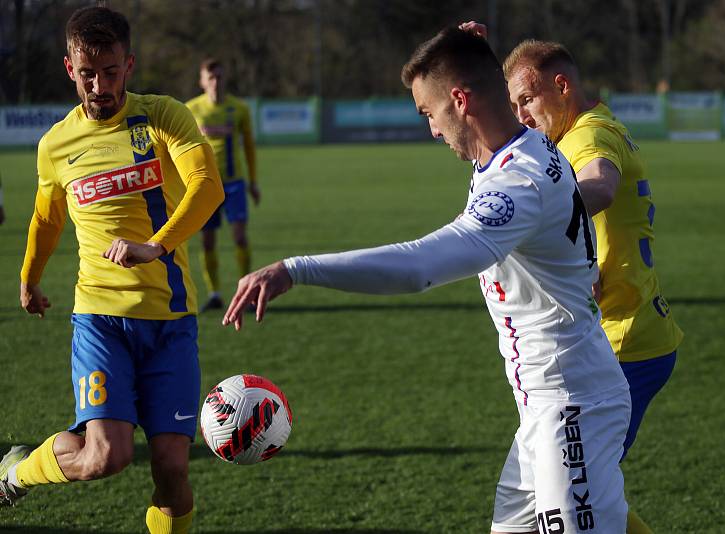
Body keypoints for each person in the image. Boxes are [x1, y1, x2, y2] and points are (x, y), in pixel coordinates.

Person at [223, 27, 631, 534]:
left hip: (572, 406)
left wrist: (297, 268)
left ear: (460, 101)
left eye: (429, 113)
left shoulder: (517, 183)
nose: (432, 129)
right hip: (543, 411)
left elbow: (418, 267)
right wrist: (458, 44)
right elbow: (473, 83)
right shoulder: (509, 151)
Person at [0, 7, 223, 534]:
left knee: (172, 471)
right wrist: (28, 280)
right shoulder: (56, 143)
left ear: (130, 64)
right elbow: (46, 217)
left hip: (171, 320)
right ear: (69, 67)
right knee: (106, 456)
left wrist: (155, 246)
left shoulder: (164, 115)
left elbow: (207, 186)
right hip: (100, 318)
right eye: (87, 73)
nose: (99, 85)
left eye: (111, 71)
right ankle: (14, 475)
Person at [460, 21, 684, 534]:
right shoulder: (583, 126)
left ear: (561, 86)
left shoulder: (588, 134)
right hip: (621, 333)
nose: (521, 115)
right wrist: (477, 60)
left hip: (621, 342)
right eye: (513, 103)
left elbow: (599, 187)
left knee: (569, 492)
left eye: (527, 100)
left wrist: (532, 216)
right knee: (573, 487)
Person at [186, 58, 260, 312]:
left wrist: (254, 182)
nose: (216, 82)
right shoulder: (191, 109)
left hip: (235, 184)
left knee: (239, 237)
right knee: (207, 241)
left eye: (220, 77)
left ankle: (247, 291)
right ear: (202, 81)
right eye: (211, 77)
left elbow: (249, 147)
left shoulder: (239, 109)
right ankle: (215, 293)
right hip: (206, 185)